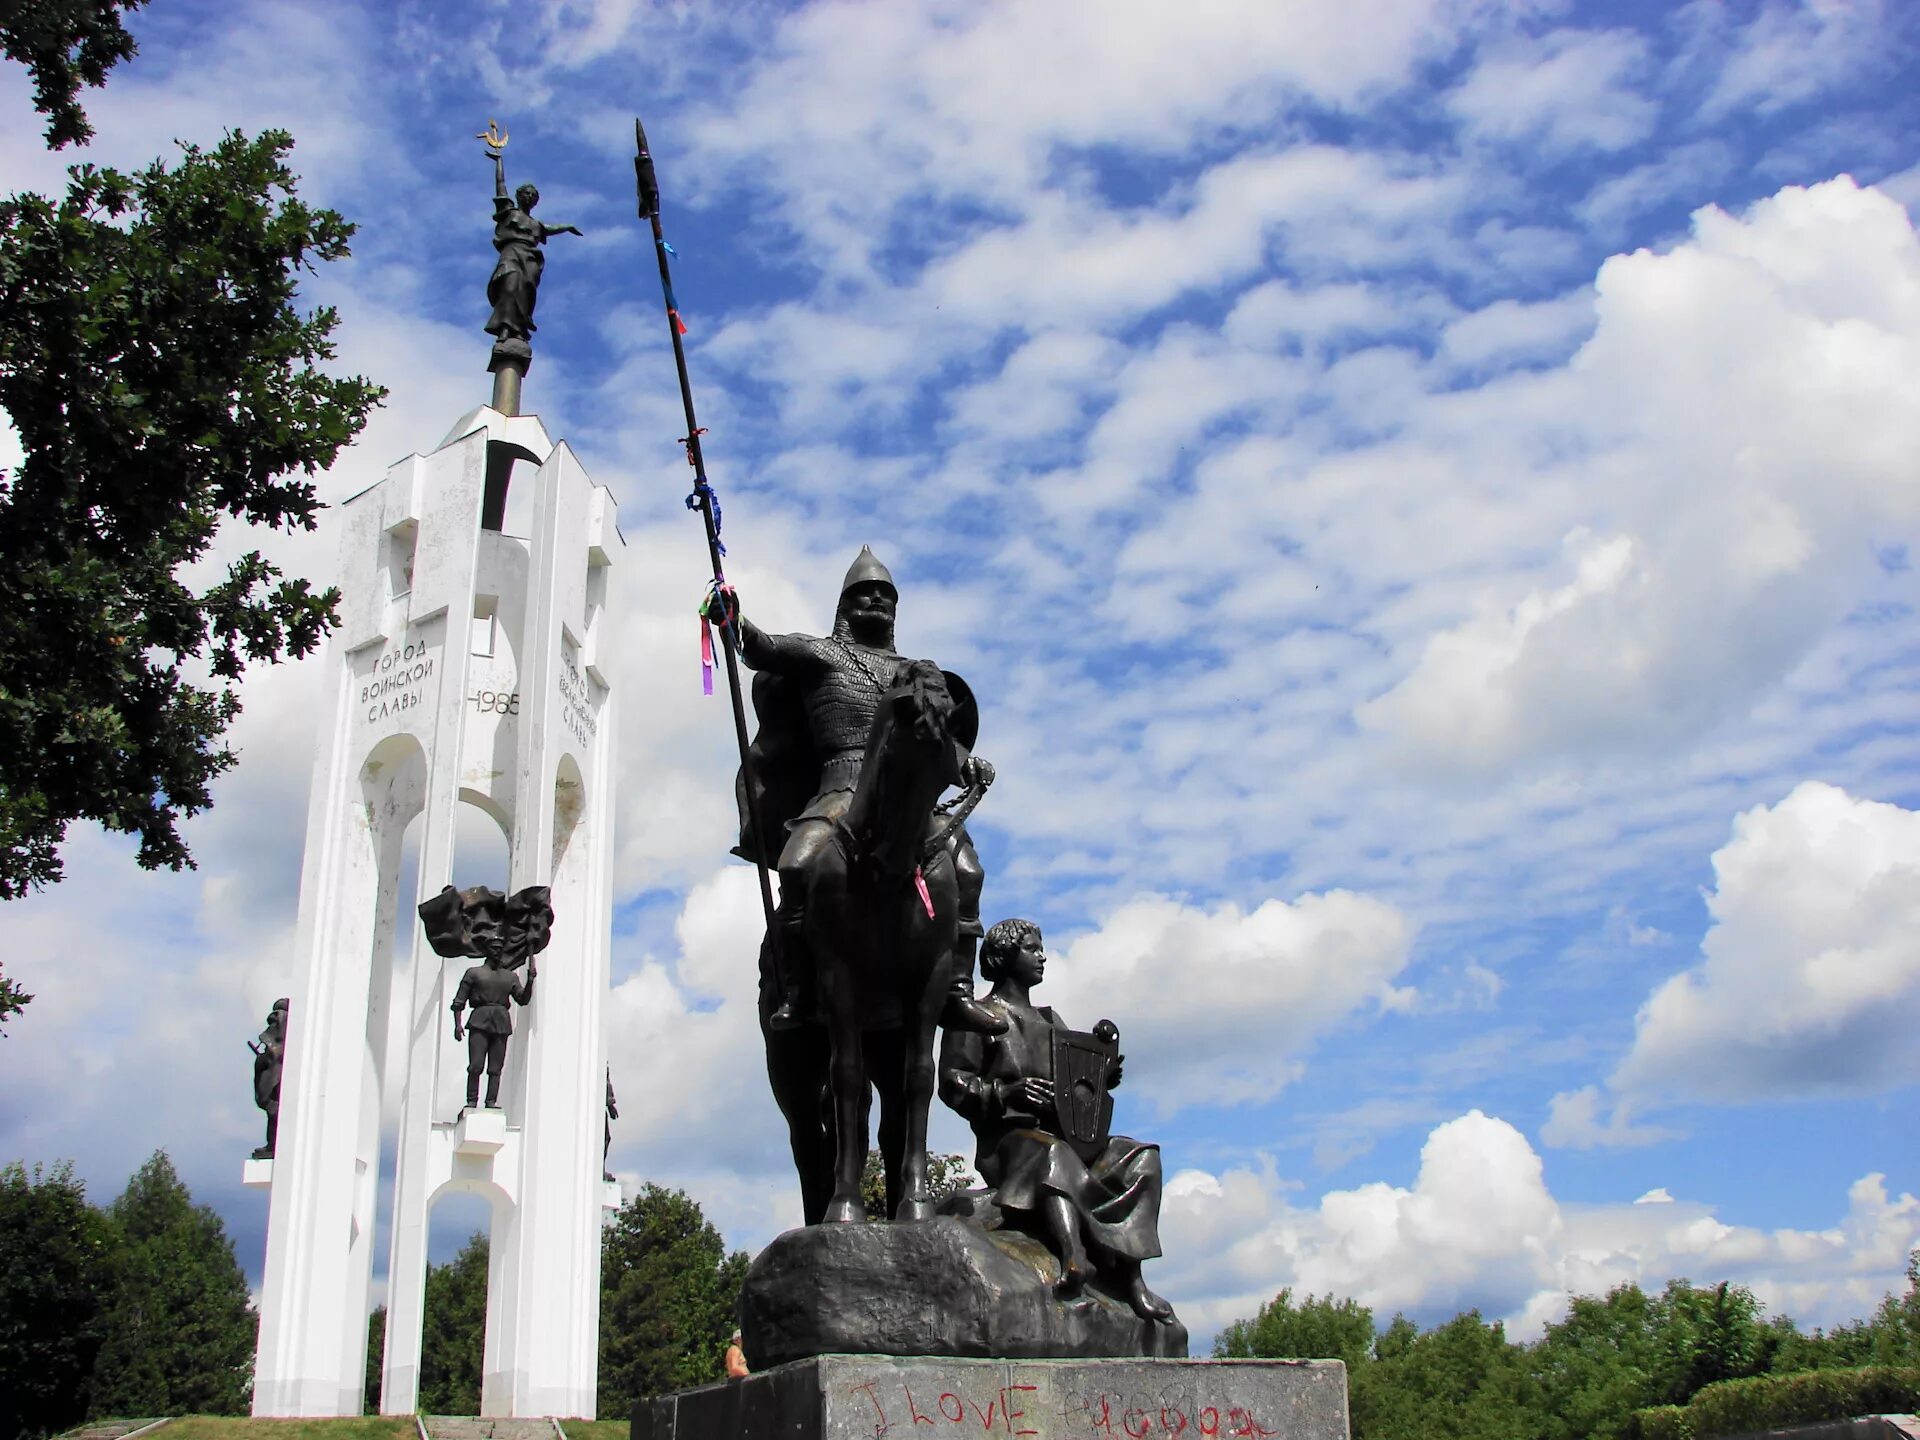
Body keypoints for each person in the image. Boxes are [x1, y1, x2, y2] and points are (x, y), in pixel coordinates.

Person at [730, 547, 1002, 1034]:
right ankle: (797, 989)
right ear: (844, 604)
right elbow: (762, 647)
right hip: (836, 791)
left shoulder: (915, 669)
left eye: (885, 595)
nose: (876, 599)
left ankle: (957, 989)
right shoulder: (821, 654)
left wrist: (966, 763)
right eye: (864, 592)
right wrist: (733, 615)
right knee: (795, 867)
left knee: (969, 870)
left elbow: (938, 730)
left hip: (906, 798)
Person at [938, 919, 1172, 1322]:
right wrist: (1004, 1093)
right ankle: (1073, 1256)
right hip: (1009, 1142)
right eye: (1031, 948)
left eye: (1040, 947)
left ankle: (1133, 1279)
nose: (1042, 956)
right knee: (1053, 1155)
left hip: (1064, 1135)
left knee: (1140, 1157)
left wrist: (1102, 1075)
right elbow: (952, 1084)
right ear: (1003, 958)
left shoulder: (1052, 1022)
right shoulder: (978, 1018)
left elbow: (1074, 1085)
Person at [483, 153, 582, 348]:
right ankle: (504, 327)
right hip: (512, 253)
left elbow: (550, 228)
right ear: (519, 196)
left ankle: (519, 328)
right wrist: (499, 162)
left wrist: (567, 227)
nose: (529, 196)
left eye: (532, 195)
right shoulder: (509, 212)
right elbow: (501, 187)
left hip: (530, 258)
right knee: (509, 286)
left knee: (526, 288)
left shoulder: (536, 224)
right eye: (526, 193)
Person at [248, 998, 289, 1159]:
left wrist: (263, 1058)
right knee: (273, 1110)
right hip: (275, 1074)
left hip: (276, 1076)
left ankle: (273, 1144)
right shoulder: (284, 1023)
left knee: (274, 1110)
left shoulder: (280, 1021)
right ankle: (272, 1144)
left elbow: (274, 1051)